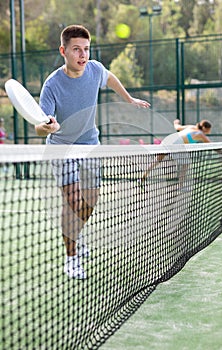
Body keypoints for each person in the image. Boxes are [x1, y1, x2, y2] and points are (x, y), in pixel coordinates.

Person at [34, 24, 150, 279]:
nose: (82, 55)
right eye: (76, 49)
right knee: (73, 202)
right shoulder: (52, 85)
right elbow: (40, 127)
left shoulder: (95, 69)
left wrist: (129, 99)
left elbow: (109, 77)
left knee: (89, 203)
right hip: (62, 149)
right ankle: (71, 258)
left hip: (90, 146)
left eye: (86, 49)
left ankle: (76, 233)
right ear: (63, 51)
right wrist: (47, 127)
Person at [140, 119, 213, 189]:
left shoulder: (191, 127)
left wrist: (176, 122)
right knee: (185, 164)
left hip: (170, 138)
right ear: (205, 128)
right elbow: (211, 145)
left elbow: (177, 127)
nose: (210, 131)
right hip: (177, 143)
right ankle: (180, 186)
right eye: (209, 129)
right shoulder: (201, 134)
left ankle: (142, 177)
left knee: (157, 160)